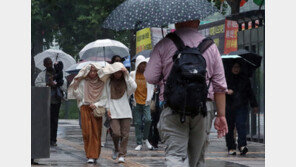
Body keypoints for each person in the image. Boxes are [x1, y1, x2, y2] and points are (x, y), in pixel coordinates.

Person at [144, 20, 228, 167]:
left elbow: (150, 77)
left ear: (176, 22)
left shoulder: (164, 44)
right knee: (197, 158)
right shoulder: (211, 46)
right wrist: (221, 115)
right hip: (202, 108)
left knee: (175, 155)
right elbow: (220, 86)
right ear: (198, 22)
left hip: (173, 106)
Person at [67, 63, 107, 164]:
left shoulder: (102, 82)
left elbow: (105, 98)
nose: (93, 73)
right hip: (85, 108)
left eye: (95, 71)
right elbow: (79, 96)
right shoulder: (83, 82)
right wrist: (75, 87)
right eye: (91, 71)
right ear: (87, 72)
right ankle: (89, 154)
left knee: (96, 133)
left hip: (96, 110)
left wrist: (97, 104)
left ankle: (94, 155)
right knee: (87, 133)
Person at [101, 62, 137, 163]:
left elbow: (134, 87)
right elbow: (105, 96)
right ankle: (116, 148)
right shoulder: (108, 82)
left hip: (125, 111)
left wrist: (127, 74)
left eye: (120, 72)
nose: (118, 74)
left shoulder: (126, 81)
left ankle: (122, 154)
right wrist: (107, 109)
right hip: (113, 110)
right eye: (116, 72)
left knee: (125, 134)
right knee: (116, 133)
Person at [225, 62, 258, 155]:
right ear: (230, 68)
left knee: (241, 125)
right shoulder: (225, 79)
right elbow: (219, 90)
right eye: (234, 67)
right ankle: (231, 147)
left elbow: (250, 93)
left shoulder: (245, 79)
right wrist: (226, 90)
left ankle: (242, 145)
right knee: (229, 127)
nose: (236, 69)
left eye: (238, 67)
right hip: (229, 106)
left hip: (242, 105)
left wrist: (254, 105)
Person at [35, 57, 67, 147]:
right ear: (44, 65)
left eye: (50, 63)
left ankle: (53, 139)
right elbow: (37, 84)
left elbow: (64, 85)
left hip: (56, 100)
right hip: (44, 100)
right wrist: (47, 84)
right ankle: (45, 138)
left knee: (54, 120)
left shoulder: (58, 72)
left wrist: (57, 84)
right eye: (47, 64)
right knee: (45, 120)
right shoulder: (41, 75)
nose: (49, 65)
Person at [130, 55, 155, 151]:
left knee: (148, 120)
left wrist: (150, 96)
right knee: (137, 123)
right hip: (136, 102)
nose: (143, 66)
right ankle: (139, 142)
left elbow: (152, 86)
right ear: (137, 65)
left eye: (145, 64)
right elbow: (130, 86)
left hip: (146, 101)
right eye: (141, 64)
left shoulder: (148, 74)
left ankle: (145, 138)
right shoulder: (132, 74)